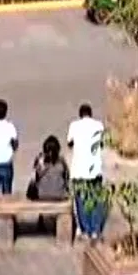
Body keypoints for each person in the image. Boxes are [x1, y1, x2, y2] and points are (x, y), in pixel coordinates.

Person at [67, 102, 107, 239]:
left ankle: (84, 229)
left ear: (80, 115)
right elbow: (102, 143)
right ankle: (95, 229)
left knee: (81, 200)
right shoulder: (99, 126)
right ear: (91, 114)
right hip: (95, 169)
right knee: (95, 200)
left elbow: (70, 143)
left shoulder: (74, 126)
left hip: (79, 170)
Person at [28, 135, 70, 202]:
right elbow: (66, 178)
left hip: (41, 195)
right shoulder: (61, 161)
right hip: (59, 195)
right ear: (58, 149)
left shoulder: (39, 159)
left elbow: (33, 179)